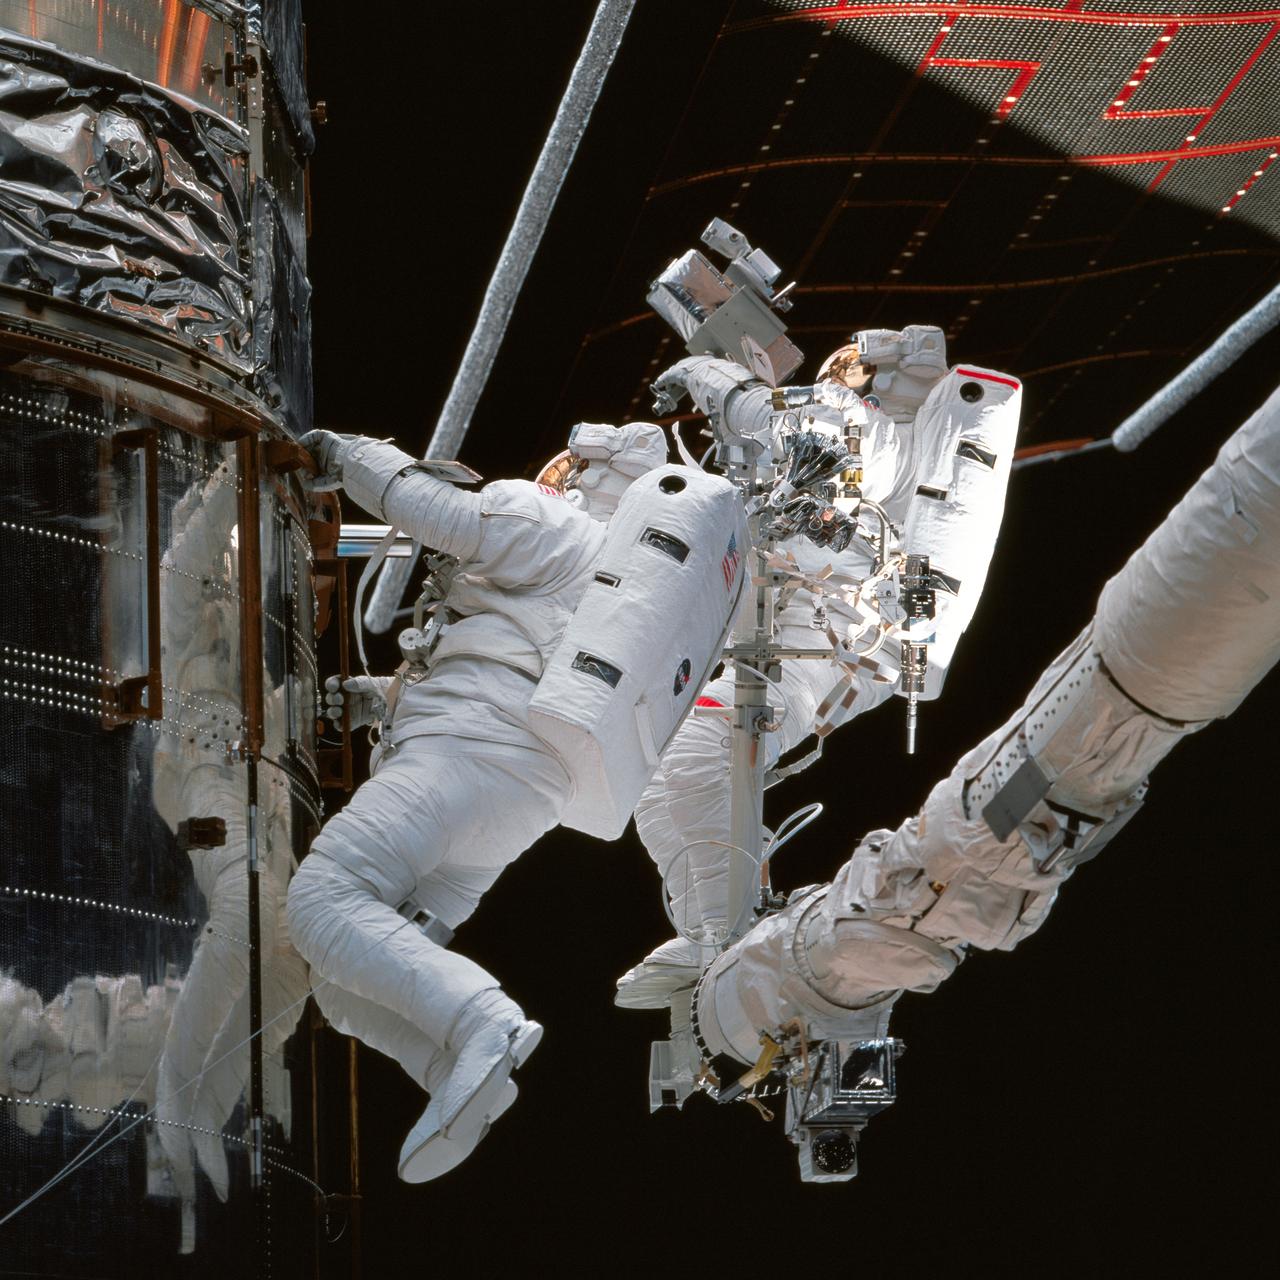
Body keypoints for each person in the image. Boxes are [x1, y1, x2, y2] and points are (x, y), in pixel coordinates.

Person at [285, 421, 667, 1181]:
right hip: (513, 798)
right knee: (334, 970)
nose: (551, 470)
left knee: (323, 904)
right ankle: (453, 1075)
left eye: (567, 462)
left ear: (586, 477)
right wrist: (367, 701)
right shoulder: (626, 594)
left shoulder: (557, 525)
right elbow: (504, 662)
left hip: (464, 762)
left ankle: (482, 1022)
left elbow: (438, 513)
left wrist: (343, 454)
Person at [615, 326, 1022, 1007]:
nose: (826, 376)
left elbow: (771, 420)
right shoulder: (874, 450)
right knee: (664, 778)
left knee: (687, 759)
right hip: (811, 644)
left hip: (823, 651)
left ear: (866, 378)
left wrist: (702, 371)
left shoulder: (854, 428)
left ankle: (726, 931)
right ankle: (715, 926)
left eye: (842, 366)